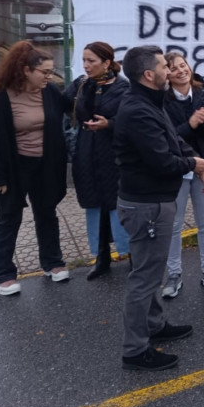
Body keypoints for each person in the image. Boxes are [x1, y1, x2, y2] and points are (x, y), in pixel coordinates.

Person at [113, 45, 204, 371]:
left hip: (153, 201)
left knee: (149, 273)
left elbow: (173, 139)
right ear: (148, 74)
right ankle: (134, 350)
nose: (169, 71)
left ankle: (154, 326)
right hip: (146, 205)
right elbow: (162, 160)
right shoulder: (137, 110)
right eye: (163, 66)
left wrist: (198, 165)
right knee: (144, 278)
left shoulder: (151, 103)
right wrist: (193, 163)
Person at [0, 41, 69, 295]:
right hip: (14, 168)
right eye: (44, 72)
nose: (49, 76)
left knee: (47, 212)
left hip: (46, 165)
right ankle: (1, 275)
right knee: (9, 217)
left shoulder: (50, 92)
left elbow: (73, 104)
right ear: (25, 70)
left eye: (51, 72)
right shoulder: (0, 97)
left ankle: (52, 263)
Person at [63, 41, 131, 280]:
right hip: (87, 154)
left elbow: (131, 119)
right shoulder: (82, 85)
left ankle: (132, 255)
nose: (86, 65)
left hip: (113, 154)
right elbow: (60, 102)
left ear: (107, 62)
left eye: (91, 61)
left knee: (119, 206)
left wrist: (109, 124)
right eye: (84, 60)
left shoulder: (124, 88)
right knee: (95, 206)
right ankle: (102, 257)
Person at [162, 52, 204, 297]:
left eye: (183, 65)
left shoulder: (203, 94)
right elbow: (167, 138)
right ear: (166, 74)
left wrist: (202, 121)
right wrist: (191, 124)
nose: (180, 70)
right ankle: (174, 275)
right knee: (174, 225)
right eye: (174, 68)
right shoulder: (162, 101)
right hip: (178, 170)